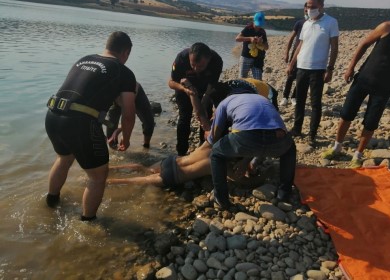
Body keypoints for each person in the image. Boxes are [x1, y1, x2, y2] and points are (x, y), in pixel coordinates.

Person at [107, 79, 278, 188]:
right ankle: (108, 182)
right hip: (173, 176)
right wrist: (264, 177)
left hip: (172, 161)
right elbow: (244, 181)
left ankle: (106, 171)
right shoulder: (221, 164)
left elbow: (211, 132)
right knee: (134, 182)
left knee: (141, 168)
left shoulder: (212, 145)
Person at [45, 31, 136, 221]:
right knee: (97, 176)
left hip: (53, 115)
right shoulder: (123, 72)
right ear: (126, 52)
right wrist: (126, 139)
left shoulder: (83, 59)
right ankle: (88, 224)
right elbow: (128, 114)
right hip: (79, 123)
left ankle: (51, 204)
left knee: (64, 159)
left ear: (107, 45)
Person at [321, 19, 390, 168]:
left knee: (371, 122)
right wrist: (351, 67)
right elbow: (364, 44)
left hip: (385, 86)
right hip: (364, 78)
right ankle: (337, 147)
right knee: (346, 113)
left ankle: (357, 155)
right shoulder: (387, 27)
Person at [209, 93, 297, 209]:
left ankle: (221, 199)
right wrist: (247, 161)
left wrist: (216, 143)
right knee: (290, 149)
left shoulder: (223, 103)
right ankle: (284, 193)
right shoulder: (262, 99)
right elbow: (264, 133)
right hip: (277, 139)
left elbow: (215, 137)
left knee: (216, 153)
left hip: (247, 138)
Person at [287, 0, 339, 146]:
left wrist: (330, 68)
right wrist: (291, 63)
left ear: (322, 6)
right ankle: (297, 128)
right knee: (299, 100)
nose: (310, 9)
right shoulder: (307, 23)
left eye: (313, 6)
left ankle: (312, 134)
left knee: (315, 103)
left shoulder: (331, 22)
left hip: (318, 69)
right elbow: (300, 44)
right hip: (302, 67)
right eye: (308, 6)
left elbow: (334, 47)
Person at [168, 42, 223, 156]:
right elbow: (171, 82)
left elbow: (212, 85)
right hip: (185, 88)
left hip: (204, 89)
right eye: (193, 65)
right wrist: (185, 89)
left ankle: (203, 148)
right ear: (189, 57)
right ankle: (181, 152)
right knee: (184, 117)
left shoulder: (216, 61)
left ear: (208, 60)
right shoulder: (181, 58)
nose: (196, 69)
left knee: (206, 115)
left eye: (201, 66)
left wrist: (204, 100)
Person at [106, 81, 155, 149]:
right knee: (111, 126)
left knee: (149, 121)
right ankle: (114, 150)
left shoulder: (129, 90)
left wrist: (124, 136)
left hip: (136, 96)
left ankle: (146, 145)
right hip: (115, 96)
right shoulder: (104, 90)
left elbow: (129, 117)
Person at [280, 3, 308, 107]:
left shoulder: (314, 23)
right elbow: (291, 38)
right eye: (305, 10)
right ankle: (285, 97)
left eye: (308, 9)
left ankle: (294, 97)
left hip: (307, 54)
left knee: (301, 77)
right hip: (296, 52)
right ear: (304, 10)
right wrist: (286, 52)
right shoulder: (299, 23)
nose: (307, 11)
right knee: (290, 75)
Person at [236, 11, 269, 80]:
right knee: (242, 80)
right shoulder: (248, 28)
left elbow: (266, 47)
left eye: (260, 25)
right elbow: (237, 38)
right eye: (257, 24)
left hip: (258, 59)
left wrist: (261, 43)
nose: (258, 26)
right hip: (246, 58)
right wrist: (250, 38)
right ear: (254, 21)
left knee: (258, 80)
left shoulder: (262, 32)